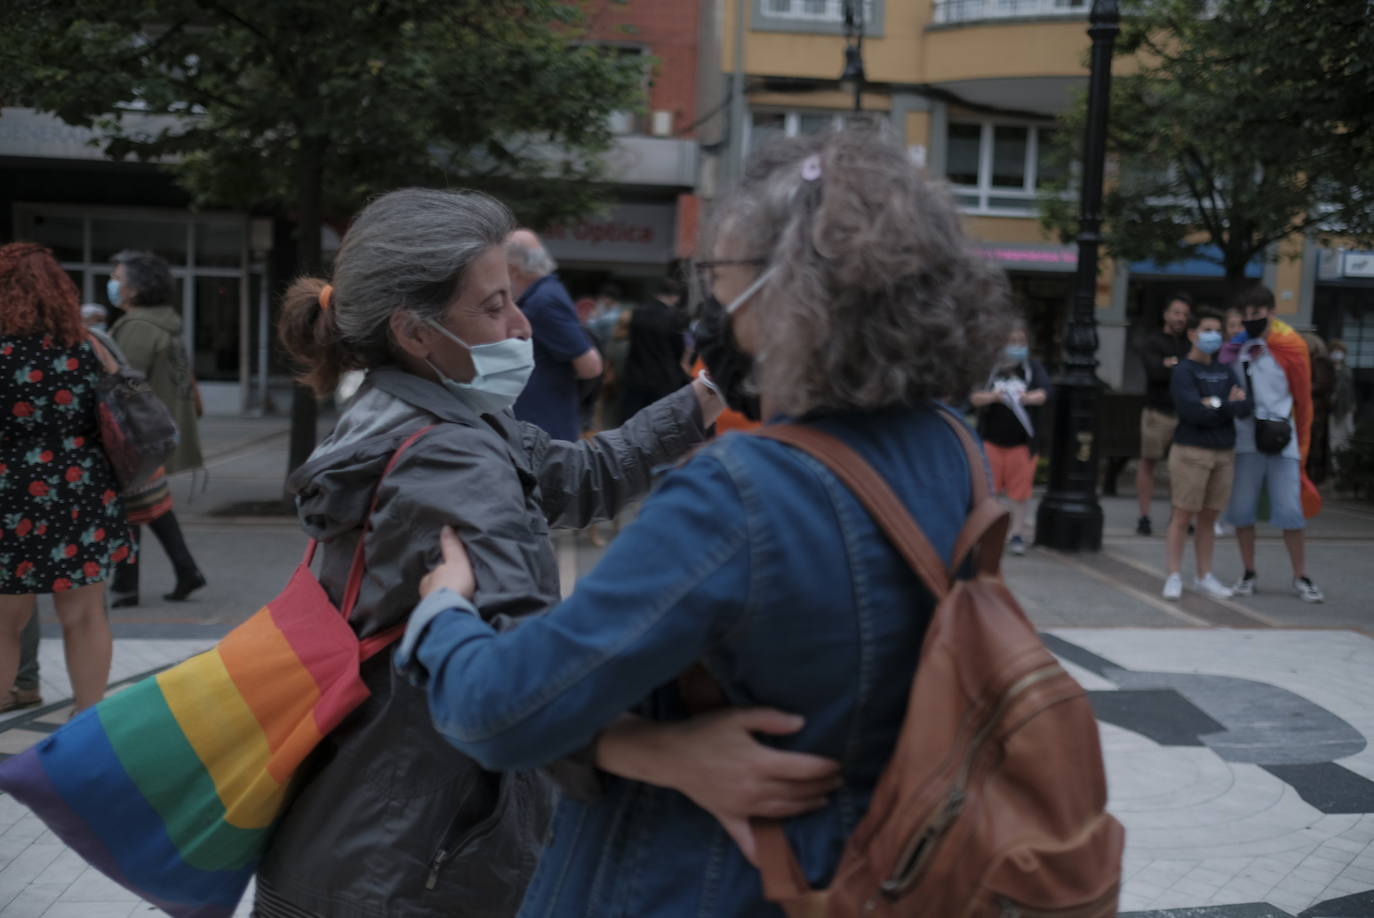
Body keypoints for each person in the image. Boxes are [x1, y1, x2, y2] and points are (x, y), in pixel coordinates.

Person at [396, 124, 1015, 916]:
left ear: (792, 292)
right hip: (889, 865)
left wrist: (444, 612)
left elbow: (501, 709)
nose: (709, 308)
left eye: (719, 277)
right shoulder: (953, 448)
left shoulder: (738, 493)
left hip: (708, 879)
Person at [260, 187, 839, 918]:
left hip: (362, 838)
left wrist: (708, 395)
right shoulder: (449, 460)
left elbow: (581, 476)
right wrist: (669, 756)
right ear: (414, 331)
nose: (522, 321)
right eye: (494, 305)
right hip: (412, 866)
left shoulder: (422, 408)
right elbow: (526, 687)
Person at [0, 242, 134, 713]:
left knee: (5, 621)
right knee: (84, 616)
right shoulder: (88, 347)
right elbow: (124, 406)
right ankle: (88, 719)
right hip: (80, 487)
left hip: (9, 491)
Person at [106, 250, 207, 606]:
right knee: (150, 504)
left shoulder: (136, 328)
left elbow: (123, 385)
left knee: (129, 506)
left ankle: (127, 584)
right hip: (157, 432)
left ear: (135, 287)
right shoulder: (165, 322)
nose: (113, 284)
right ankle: (183, 571)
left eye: (118, 278)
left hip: (137, 436)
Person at [1225, 285, 1324, 602]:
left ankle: (1301, 576)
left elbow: (1303, 397)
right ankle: (1248, 571)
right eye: (1246, 315)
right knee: (1242, 511)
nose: (1250, 320)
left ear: (1270, 311)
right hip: (1246, 440)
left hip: (1283, 440)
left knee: (1291, 512)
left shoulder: (1291, 346)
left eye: (1256, 313)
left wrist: (1302, 437)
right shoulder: (1235, 350)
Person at [1162, 310, 1251, 600]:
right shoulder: (1183, 371)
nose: (1213, 336)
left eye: (1217, 330)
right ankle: (1174, 574)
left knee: (1209, 517)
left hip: (1223, 452)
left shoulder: (1226, 371)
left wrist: (1214, 403)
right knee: (1182, 513)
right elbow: (1192, 412)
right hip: (1191, 451)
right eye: (1207, 329)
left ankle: (1204, 575)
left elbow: (1244, 407)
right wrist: (1224, 404)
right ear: (1192, 334)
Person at [506, 230, 602, 441]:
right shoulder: (544, 294)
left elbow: (591, 365)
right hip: (541, 425)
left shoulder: (544, 303)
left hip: (546, 428)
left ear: (513, 269)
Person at [970, 320, 1052, 556]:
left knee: (1020, 493)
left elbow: (1046, 393)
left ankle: (1015, 534)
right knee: (988, 492)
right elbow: (974, 397)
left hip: (1022, 444)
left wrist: (1026, 397)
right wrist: (994, 397)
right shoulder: (990, 368)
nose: (1016, 346)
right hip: (990, 441)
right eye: (1012, 341)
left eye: (1021, 342)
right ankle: (986, 533)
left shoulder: (1032, 369)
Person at [1135, 293, 1193, 535]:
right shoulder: (1152, 342)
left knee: (1180, 468)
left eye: (1184, 314)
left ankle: (1179, 517)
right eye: (1176, 313)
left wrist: (1172, 366)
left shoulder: (1190, 343)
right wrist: (1175, 367)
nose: (1180, 318)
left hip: (1183, 415)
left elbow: (1193, 373)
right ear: (1166, 314)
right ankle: (1144, 516)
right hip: (1157, 413)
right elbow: (1155, 373)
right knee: (1149, 461)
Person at [621, 277, 691, 420]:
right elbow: (679, 349)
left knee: (632, 420)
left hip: (635, 374)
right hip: (664, 378)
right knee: (657, 422)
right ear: (674, 297)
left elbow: (632, 340)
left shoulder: (637, 313)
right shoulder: (675, 317)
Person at [1301, 331, 1335, 485]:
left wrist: (1300, 386)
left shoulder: (1319, 360)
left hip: (1316, 409)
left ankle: (1312, 477)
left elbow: (1322, 385)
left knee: (1314, 443)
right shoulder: (1317, 360)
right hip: (1316, 408)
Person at [1329, 338, 1356, 454]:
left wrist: (1352, 404)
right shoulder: (1327, 369)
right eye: (1335, 351)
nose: (1338, 354)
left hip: (1345, 406)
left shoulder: (1347, 370)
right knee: (1333, 434)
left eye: (1340, 351)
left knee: (1347, 431)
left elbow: (1350, 389)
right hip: (1331, 407)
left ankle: (1343, 455)